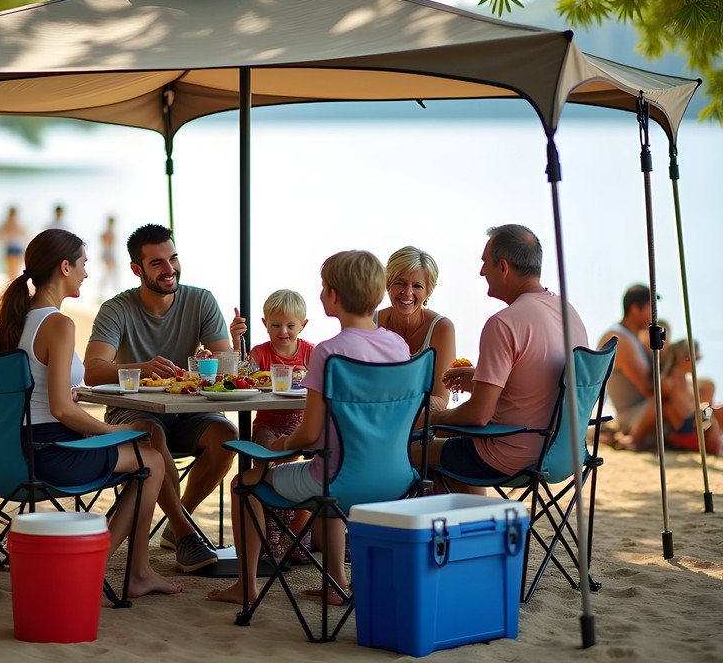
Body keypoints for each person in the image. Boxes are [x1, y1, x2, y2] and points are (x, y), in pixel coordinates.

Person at [0, 228, 183, 598]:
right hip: (51, 454)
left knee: (143, 452)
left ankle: (130, 567)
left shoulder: (19, 320)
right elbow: (60, 408)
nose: (87, 274)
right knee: (152, 459)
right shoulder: (58, 324)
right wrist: (110, 431)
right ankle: (113, 566)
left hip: (12, 450)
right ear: (64, 267)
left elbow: (38, 392)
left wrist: (72, 407)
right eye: (83, 266)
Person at [208, 250, 410, 606]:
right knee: (332, 486)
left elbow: (308, 434)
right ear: (379, 296)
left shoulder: (329, 353)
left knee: (244, 483)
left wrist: (275, 446)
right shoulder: (399, 346)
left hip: (337, 477)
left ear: (331, 295)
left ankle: (246, 586)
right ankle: (335, 583)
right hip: (396, 477)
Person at [83, 223, 244, 573]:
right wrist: (143, 367)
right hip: (132, 411)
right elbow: (93, 370)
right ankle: (186, 532)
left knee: (227, 437)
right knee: (151, 437)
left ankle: (176, 520)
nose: (169, 269)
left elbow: (226, 370)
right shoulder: (117, 308)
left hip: (185, 413)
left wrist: (220, 358)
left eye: (173, 258)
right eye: (157, 263)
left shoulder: (200, 300)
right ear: (137, 270)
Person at [426, 224, 588, 492]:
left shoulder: (503, 324)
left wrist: (435, 417)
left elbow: (479, 415)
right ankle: (470, 523)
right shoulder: (568, 312)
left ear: (503, 267)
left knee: (412, 448)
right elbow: (541, 382)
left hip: (507, 457)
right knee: (445, 438)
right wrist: (482, 377)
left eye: (484, 264)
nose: (481, 272)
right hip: (562, 453)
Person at [241, 289, 316, 562]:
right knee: (263, 464)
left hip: (302, 424)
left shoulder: (311, 353)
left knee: (308, 469)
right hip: (268, 423)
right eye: (275, 325)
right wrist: (239, 343)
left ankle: (297, 536)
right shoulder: (260, 353)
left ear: (303, 325)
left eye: (290, 325)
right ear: (265, 324)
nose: (283, 331)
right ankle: (270, 536)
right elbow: (244, 380)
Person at [376, 246, 456, 412]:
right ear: (388, 285)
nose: (407, 292)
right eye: (400, 283)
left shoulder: (442, 328)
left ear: (428, 292)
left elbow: (441, 401)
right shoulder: (370, 322)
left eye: (417, 286)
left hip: (418, 427)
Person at [627, 339, 721, 454]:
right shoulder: (668, 382)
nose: (696, 365)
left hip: (695, 428)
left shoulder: (689, 383)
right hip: (684, 430)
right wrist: (636, 436)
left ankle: (715, 447)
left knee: (709, 396)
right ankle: (634, 439)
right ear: (683, 358)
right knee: (660, 405)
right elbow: (653, 407)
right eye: (694, 360)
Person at [598, 284, 658, 437]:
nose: (654, 316)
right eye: (650, 309)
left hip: (644, 410)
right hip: (634, 416)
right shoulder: (621, 339)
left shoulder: (634, 337)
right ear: (635, 309)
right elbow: (650, 389)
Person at [0, 206, 27, 280]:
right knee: (16, 272)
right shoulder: (19, 223)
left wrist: (5, 240)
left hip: (10, 247)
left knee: (10, 272)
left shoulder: (6, 223)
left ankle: (11, 287)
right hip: (18, 248)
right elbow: (25, 235)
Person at [99, 215, 117, 299]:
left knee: (108, 275)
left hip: (109, 255)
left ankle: (101, 295)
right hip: (109, 255)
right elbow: (107, 246)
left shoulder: (108, 232)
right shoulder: (109, 232)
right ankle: (101, 295)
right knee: (109, 275)